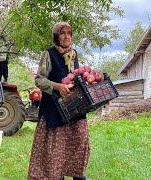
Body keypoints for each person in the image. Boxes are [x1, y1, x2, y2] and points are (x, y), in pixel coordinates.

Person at [28, 22, 89, 180]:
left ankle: (77, 174)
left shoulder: (74, 54)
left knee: (79, 140)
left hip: (74, 107)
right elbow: (39, 80)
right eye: (62, 33)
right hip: (54, 108)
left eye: (69, 33)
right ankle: (57, 175)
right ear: (56, 37)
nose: (66, 36)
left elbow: (75, 76)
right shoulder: (48, 54)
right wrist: (57, 86)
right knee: (56, 148)